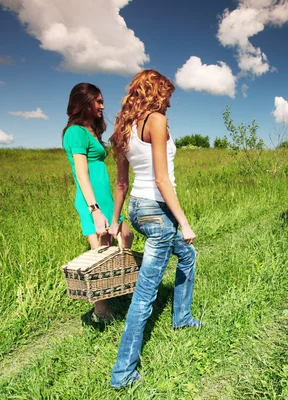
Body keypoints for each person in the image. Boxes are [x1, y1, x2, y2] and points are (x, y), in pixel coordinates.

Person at [108, 69, 200, 388]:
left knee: (187, 254)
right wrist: (184, 222)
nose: (169, 103)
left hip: (137, 208)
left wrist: (116, 220)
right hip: (157, 212)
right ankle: (123, 373)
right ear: (156, 91)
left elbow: (121, 183)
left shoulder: (123, 127)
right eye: (167, 95)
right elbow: (162, 179)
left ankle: (182, 317)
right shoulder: (156, 121)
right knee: (145, 294)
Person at [62, 82, 134, 322]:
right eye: (99, 101)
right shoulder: (75, 132)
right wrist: (94, 209)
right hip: (91, 200)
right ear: (84, 103)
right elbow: (82, 174)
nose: (103, 106)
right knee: (100, 252)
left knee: (126, 235)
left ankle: (120, 287)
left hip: (104, 199)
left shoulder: (91, 131)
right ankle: (101, 311)